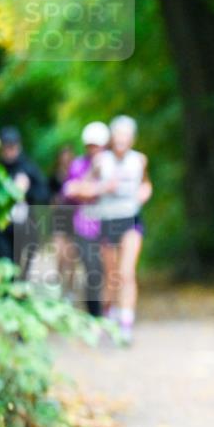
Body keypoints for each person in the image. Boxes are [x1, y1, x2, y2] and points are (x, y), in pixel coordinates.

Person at [85, 115, 152, 344]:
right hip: (107, 220)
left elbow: (145, 183)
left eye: (126, 135)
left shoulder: (139, 161)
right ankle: (109, 315)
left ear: (132, 139)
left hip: (130, 219)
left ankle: (126, 323)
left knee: (127, 273)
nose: (122, 139)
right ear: (112, 139)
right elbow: (83, 187)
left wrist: (144, 192)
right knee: (112, 276)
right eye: (118, 135)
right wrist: (103, 186)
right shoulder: (100, 161)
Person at [61, 122, 111, 317]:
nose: (93, 149)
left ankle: (111, 312)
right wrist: (92, 177)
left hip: (110, 224)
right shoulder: (78, 165)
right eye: (90, 145)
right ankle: (95, 315)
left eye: (97, 145)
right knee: (92, 269)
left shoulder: (112, 163)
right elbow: (70, 191)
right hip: (85, 226)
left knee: (110, 271)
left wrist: (89, 190)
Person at [0, 127, 50, 277]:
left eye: (12, 147)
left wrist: (26, 190)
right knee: (5, 267)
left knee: (22, 271)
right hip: (1, 229)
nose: (9, 151)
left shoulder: (29, 168)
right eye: (6, 147)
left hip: (25, 228)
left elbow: (44, 195)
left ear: (18, 146)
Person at [49, 143, 78, 297]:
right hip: (59, 219)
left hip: (73, 219)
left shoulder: (76, 174)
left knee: (71, 257)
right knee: (60, 255)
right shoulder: (54, 177)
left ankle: (70, 291)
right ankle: (59, 289)